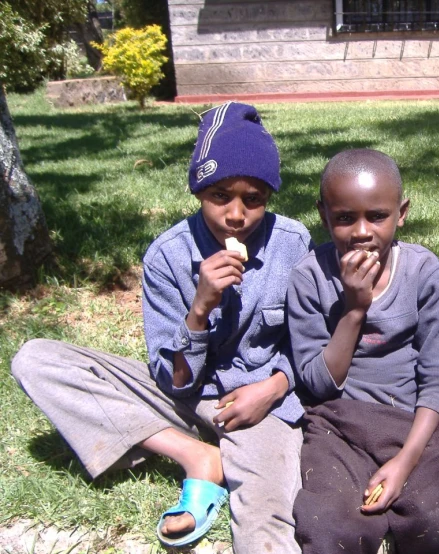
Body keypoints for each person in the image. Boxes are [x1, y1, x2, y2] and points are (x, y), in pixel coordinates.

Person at [11, 102, 311, 554]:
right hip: (185, 394)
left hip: (260, 405)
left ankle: (231, 460)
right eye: (220, 196)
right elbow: (172, 377)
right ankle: (196, 455)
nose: (236, 214)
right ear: (198, 192)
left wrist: (274, 387)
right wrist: (199, 309)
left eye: (254, 199)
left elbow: (310, 339)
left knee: (266, 519)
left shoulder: (293, 242)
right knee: (36, 359)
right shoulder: (168, 255)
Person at [287, 149, 439, 554]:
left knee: (435, 520)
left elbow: (438, 377)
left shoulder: (422, 272)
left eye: (377, 216)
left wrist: (405, 462)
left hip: (417, 421)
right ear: (323, 216)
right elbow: (318, 383)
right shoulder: (311, 278)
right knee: (329, 525)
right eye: (344, 218)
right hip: (341, 423)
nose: (361, 231)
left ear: (402, 212)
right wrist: (354, 308)